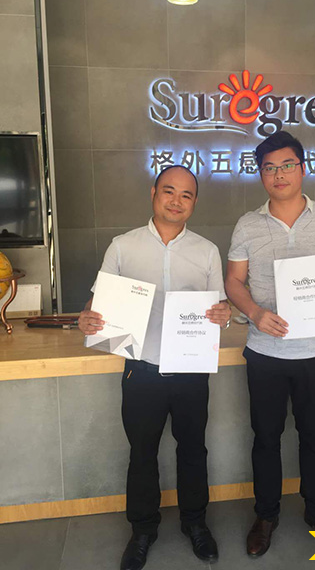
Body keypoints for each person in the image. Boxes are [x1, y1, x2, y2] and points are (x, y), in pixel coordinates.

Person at [78, 165, 231, 570]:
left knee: (193, 450)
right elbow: (99, 302)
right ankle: (143, 530)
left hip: (191, 371)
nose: (176, 201)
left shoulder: (206, 251)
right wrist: (87, 317)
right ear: (153, 193)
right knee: (142, 453)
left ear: (194, 202)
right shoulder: (123, 246)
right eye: (169, 191)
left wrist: (224, 314)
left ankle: (195, 523)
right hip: (141, 369)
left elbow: (218, 307)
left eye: (186, 195)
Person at [225, 131, 315, 557]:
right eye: (269, 168)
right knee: (265, 437)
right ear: (260, 175)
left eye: (286, 165)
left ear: (303, 168)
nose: (278, 174)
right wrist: (254, 312)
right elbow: (234, 281)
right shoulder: (247, 224)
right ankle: (266, 515)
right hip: (265, 352)